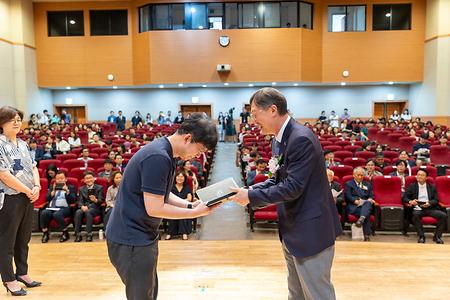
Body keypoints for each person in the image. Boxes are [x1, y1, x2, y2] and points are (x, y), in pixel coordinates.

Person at [230, 88, 341, 300]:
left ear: (272, 110)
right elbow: (277, 179)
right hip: (293, 229)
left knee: (317, 294)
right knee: (296, 293)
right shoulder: (279, 139)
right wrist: (250, 190)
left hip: (310, 230)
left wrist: (251, 198)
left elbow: (293, 187)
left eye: (255, 114)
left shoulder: (300, 139)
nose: (252, 121)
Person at [106, 112, 218, 300]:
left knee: (149, 293)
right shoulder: (158, 157)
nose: (196, 156)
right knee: (141, 296)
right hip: (130, 239)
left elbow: (162, 192)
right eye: (198, 151)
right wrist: (193, 214)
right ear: (188, 138)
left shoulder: (167, 152)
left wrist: (190, 206)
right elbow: (155, 207)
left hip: (140, 235)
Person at [0, 106, 42, 296]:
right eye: (12, 119)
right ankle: (9, 279)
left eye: (18, 119)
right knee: (6, 241)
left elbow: (34, 168)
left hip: (27, 196)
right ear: (2, 123)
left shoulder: (23, 144)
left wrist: (37, 187)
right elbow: (4, 175)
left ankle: (22, 273)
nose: (17, 122)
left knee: (23, 239)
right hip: (9, 198)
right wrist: (27, 190)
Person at [403, 169, 447, 244]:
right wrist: (411, 201)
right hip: (418, 208)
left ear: (426, 177)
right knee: (416, 215)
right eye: (418, 174)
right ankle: (421, 236)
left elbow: (436, 200)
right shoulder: (412, 186)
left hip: (430, 208)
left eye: (422, 175)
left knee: (443, 215)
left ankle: (437, 236)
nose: (419, 176)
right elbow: (405, 198)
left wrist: (429, 203)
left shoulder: (432, 187)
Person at [40, 171, 76, 243]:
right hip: (52, 207)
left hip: (64, 208)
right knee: (44, 213)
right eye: (58, 179)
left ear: (65, 179)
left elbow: (73, 200)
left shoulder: (70, 187)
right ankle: (45, 233)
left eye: (62, 178)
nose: (60, 180)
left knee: (57, 214)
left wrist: (67, 191)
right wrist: (52, 193)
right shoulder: (51, 187)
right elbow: (47, 199)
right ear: (55, 180)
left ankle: (65, 232)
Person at [344, 167, 375, 241]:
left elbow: (371, 195)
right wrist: (354, 201)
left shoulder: (367, 184)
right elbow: (347, 195)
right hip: (354, 206)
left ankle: (361, 219)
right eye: (358, 175)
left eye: (362, 175)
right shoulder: (349, 184)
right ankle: (366, 234)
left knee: (367, 203)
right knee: (366, 213)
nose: (360, 177)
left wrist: (371, 199)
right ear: (354, 175)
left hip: (365, 204)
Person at [74, 171, 104, 242]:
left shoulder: (99, 188)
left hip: (95, 208)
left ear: (94, 179)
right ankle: (78, 234)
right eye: (87, 179)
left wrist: (95, 200)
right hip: (84, 207)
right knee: (78, 212)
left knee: (89, 212)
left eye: (90, 178)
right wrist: (81, 206)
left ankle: (89, 234)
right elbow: (80, 200)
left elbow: (100, 201)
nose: (89, 180)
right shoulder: (81, 189)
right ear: (84, 180)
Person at [165, 172, 193, 240]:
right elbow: (168, 198)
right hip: (173, 206)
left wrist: (180, 203)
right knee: (175, 211)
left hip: (183, 206)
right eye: (178, 176)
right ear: (175, 178)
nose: (180, 178)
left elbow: (189, 199)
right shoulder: (171, 187)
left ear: (184, 179)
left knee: (181, 211)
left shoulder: (187, 187)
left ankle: (184, 233)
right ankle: (170, 233)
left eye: (182, 177)